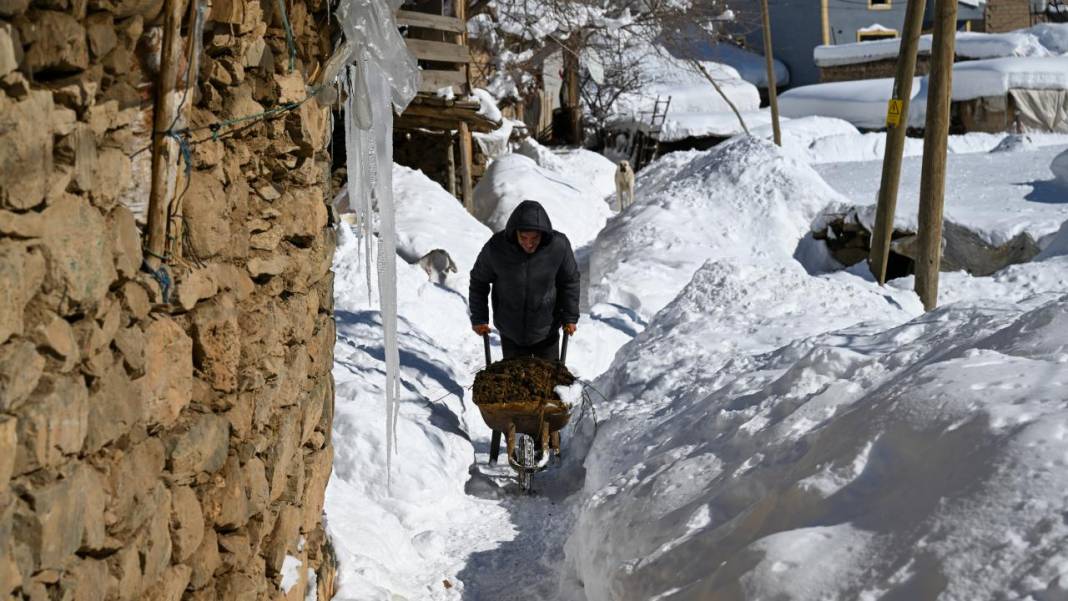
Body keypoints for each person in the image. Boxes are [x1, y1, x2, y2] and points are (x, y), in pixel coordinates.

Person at [469, 200, 580, 361]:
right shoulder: (497, 248)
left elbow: (569, 281)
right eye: (524, 237)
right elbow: (479, 280)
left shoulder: (558, 246)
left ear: (543, 233)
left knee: (549, 382)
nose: (529, 243)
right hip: (510, 330)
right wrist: (479, 318)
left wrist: (570, 317)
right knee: (514, 382)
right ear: (515, 232)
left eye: (535, 238)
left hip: (546, 330)